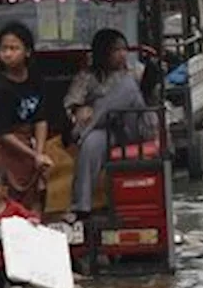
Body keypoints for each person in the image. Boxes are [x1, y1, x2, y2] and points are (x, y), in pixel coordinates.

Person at [64, 28, 155, 220]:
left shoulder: (135, 71)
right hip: (105, 130)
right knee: (90, 144)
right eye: (116, 50)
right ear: (103, 52)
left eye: (124, 49)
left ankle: (89, 127)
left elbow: (147, 97)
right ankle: (81, 206)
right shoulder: (88, 76)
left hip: (134, 126)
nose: (122, 54)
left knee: (128, 88)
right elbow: (71, 104)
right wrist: (80, 110)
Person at [0, 23, 52, 213]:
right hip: (8, 146)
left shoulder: (35, 78)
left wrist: (39, 152)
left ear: (27, 51)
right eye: (3, 49)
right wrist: (33, 155)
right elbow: (3, 133)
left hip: (30, 142)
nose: (7, 54)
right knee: (13, 200)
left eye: (13, 48)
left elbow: (41, 118)